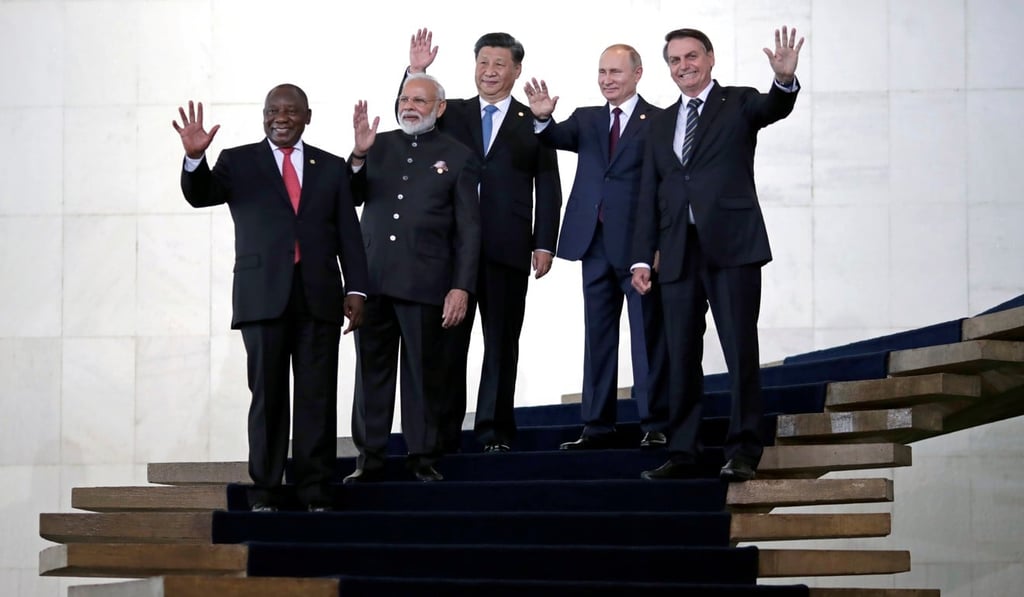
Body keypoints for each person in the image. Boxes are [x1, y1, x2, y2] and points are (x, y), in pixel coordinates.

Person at [173, 84, 369, 511]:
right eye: (272, 111)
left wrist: (356, 288)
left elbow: (348, 235)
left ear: (307, 116)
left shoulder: (331, 167)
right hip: (262, 297)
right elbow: (199, 194)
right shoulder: (237, 161)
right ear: (263, 116)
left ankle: (315, 488)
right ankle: (266, 489)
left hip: (318, 296)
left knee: (317, 396)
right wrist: (194, 158)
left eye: (290, 111)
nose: (280, 117)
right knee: (268, 396)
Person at [631, 26, 805, 482]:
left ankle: (744, 450)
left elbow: (775, 107)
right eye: (675, 60)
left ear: (709, 59)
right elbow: (650, 191)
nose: (684, 66)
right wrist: (641, 258)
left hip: (732, 246)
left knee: (739, 350)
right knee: (679, 354)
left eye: (691, 57)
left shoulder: (740, 102)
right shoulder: (660, 124)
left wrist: (783, 80)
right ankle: (684, 450)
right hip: (676, 253)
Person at [407, 28, 561, 453]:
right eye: (483, 62)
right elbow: (409, 116)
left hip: (507, 247)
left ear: (516, 70)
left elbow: (548, 183)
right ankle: (442, 434)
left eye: (498, 64)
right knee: (447, 344)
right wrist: (416, 71)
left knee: (501, 342)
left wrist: (544, 242)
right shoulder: (449, 112)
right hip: (451, 250)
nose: (489, 71)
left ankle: (493, 431)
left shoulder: (533, 117)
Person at [523, 45, 668, 450]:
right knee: (598, 336)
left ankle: (655, 422)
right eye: (602, 71)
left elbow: (663, 188)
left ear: (638, 74)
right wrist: (541, 117)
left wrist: (655, 246)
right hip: (594, 245)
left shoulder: (657, 121)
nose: (607, 79)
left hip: (638, 247)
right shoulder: (586, 119)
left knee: (646, 336)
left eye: (616, 72)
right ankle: (597, 426)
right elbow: (553, 136)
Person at [343, 73, 481, 484]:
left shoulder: (458, 155)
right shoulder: (376, 144)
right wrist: (357, 155)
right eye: (405, 98)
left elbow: (469, 229)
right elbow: (348, 196)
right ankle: (370, 457)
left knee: (423, 372)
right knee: (371, 372)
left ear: (439, 108)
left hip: (426, 282)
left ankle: (422, 456)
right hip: (375, 279)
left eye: (420, 100)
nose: (410, 106)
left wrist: (461, 286)